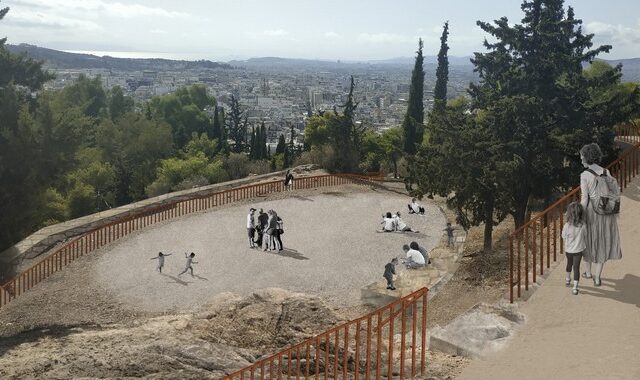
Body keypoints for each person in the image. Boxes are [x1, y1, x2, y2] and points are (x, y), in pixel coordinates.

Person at [579, 143, 622, 286]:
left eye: (582, 157)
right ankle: (597, 277)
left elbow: (584, 199)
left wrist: (579, 215)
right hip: (606, 211)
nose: (581, 159)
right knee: (603, 242)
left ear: (587, 157)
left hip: (592, 212)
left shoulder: (584, 175)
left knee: (589, 241)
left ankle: (588, 272)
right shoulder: (606, 171)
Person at [562, 202, 587, 295]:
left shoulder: (566, 226)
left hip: (569, 250)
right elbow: (585, 236)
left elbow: (563, 236)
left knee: (569, 264)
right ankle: (575, 287)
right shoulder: (583, 225)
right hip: (578, 251)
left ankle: (568, 279)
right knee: (576, 268)